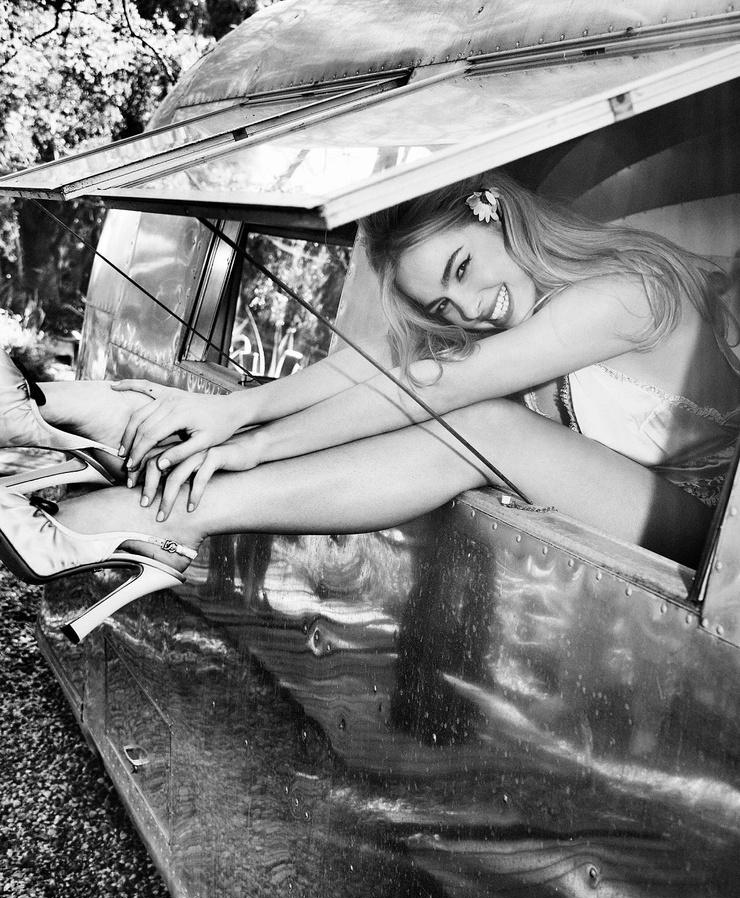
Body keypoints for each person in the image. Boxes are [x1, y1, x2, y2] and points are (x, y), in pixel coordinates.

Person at [1, 171, 739, 642]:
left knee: (479, 424)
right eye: (445, 302)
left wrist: (250, 443)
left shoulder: (626, 293)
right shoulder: (529, 309)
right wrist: (240, 410)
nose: (470, 307)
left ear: (495, 212)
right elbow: (394, 360)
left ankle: (163, 512)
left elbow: (440, 386)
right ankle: (69, 411)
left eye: (461, 267)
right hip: (663, 506)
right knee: (450, 389)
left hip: (721, 535)